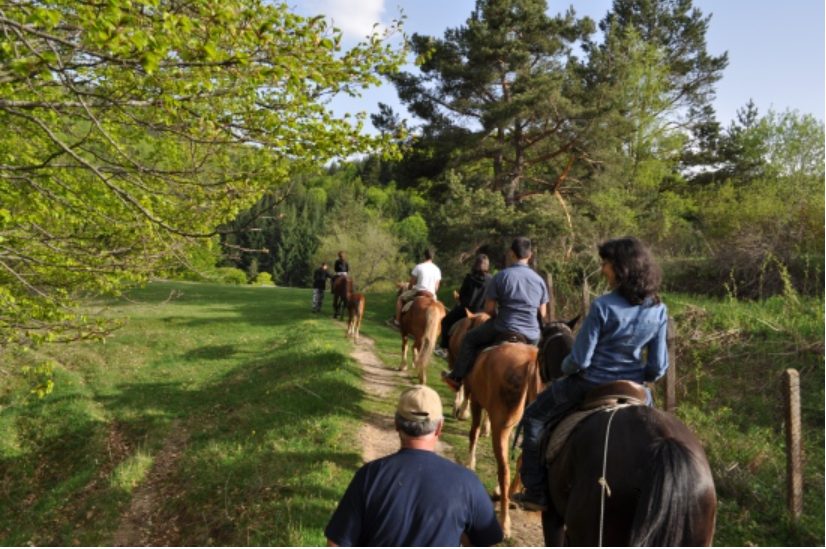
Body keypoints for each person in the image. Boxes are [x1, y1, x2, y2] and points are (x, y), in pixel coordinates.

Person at [511, 236, 669, 512]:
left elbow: (581, 359)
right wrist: (637, 375)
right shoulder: (658, 309)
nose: (602, 270)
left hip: (591, 383)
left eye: (605, 264)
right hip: (635, 388)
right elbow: (657, 367)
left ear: (621, 268)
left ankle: (535, 490)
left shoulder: (603, 306)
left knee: (534, 417)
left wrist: (565, 368)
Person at [324, 385, 504, 547]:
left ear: (396, 424)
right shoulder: (467, 482)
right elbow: (487, 540)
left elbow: (336, 543)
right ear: (440, 427)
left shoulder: (369, 475)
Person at [441, 237, 548, 390]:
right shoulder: (539, 281)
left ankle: (457, 377)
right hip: (531, 334)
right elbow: (542, 313)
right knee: (542, 360)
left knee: (469, 339)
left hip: (503, 327)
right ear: (530, 255)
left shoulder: (501, 276)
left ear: (511, 253)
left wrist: (500, 314)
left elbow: (489, 310)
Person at [438, 254, 492, 353]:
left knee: (445, 321)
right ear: (487, 265)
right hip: (482, 314)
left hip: (466, 311)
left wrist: (458, 296)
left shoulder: (469, 277)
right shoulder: (491, 280)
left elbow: (462, 297)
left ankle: (444, 347)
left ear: (475, 264)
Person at [392, 249, 442, 327]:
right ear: (433, 257)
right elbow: (436, 288)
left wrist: (410, 288)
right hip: (431, 294)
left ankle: (397, 321)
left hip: (418, 291)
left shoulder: (419, 267)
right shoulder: (437, 270)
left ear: (424, 256)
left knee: (400, 299)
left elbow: (411, 283)